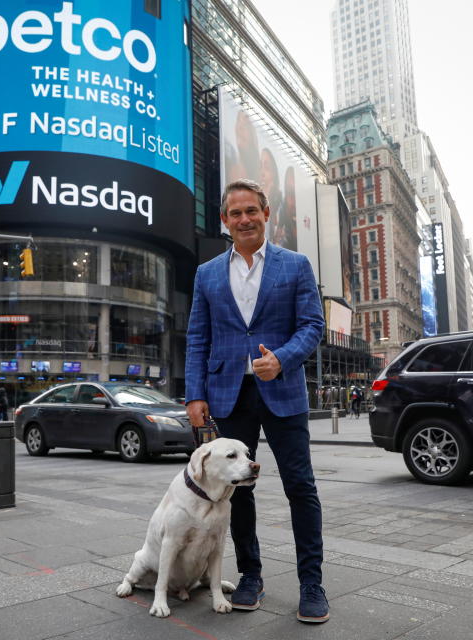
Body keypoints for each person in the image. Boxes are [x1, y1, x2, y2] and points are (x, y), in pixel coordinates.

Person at [185, 178, 328, 623]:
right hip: (229, 394)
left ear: (267, 214)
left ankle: (311, 584)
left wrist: (282, 360)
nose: (244, 219)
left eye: (251, 211)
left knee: (299, 487)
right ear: (225, 221)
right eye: (235, 213)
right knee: (236, 491)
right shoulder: (207, 273)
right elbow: (197, 337)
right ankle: (251, 576)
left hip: (282, 390)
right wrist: (195, 394)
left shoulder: (296, 265)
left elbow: (312, 325)